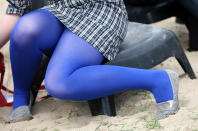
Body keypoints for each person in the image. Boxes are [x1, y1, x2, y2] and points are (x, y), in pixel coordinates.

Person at [1, 0, 179, 122]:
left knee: (59, 83)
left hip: (98, 11)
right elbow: (16, 9)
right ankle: (21, 97)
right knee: (25, 29)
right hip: (58, 12)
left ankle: (159, 81)